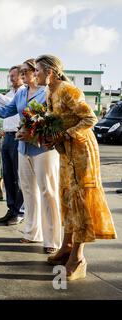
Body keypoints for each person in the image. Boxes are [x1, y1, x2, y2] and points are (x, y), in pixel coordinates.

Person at [35, 54, 117, 279]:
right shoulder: (49, 91)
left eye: (38, 71)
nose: (35, 75)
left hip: (82, 151)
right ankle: (66, 247)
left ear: (50, 72)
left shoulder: (68, 90)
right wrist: (49, 136)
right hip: (66, 152)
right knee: (67, 197)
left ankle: (78, 258)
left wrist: (64, 134)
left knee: (80, 199)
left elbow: (90, 118)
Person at [0, 59, 62, 254]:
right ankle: (33, 233)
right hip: (23, 147)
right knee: (28, 190)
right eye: (21, 72)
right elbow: (7, 111)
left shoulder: (48, 91)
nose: (22, 74)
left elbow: (53, 119)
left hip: (43, 149)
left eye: (25, 71)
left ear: (35, 72)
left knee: (48, 192)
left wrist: (35, 133)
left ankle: (52, 240)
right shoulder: (21, 92)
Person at [0, 66, 25, 225]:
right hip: (7, 137)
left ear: (22, 76)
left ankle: (20, 211)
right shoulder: (10, 93)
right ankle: (11, 209)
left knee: (18, 177)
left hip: (18, 136)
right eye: (10, 76)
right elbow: (1, 110)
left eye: (14, 76)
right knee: (8, 176)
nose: (12, 79)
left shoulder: (24, 93)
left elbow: (10, 104)